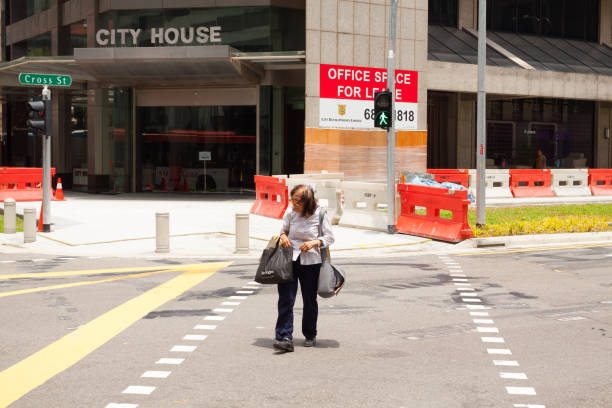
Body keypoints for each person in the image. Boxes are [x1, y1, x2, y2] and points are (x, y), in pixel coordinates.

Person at [274, 184, 335, 352]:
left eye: (297, 201)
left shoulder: (320, 213)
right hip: (289, 259)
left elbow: (330, 237)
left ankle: (310, 334)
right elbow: (283, 230)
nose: (293, 204)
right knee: (286, 298)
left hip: (312, 261)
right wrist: (283, 237)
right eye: (292, 200)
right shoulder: (291, 211)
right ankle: (284, 336)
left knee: (309, 300)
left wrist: (314, 242)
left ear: (307, 202)